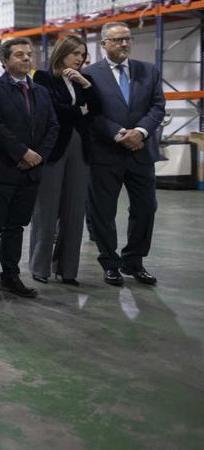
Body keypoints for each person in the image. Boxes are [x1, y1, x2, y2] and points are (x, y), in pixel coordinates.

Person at [0, 37, 58, 300]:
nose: (26, 58)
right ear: (4, 60)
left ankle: (11, 275)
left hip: (30, 171)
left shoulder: (40, 91)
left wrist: (38, 156)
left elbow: (53, 126)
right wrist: (22, 152)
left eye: (28, 54)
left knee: (16, 226)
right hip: (1, 169)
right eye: (19, 54)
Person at [83, 22, 165, 286]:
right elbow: (92, 113)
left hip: (141, 151)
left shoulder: (148, 71)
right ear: (104, 44)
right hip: (106, 152)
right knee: (103, 211)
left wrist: (140, 132)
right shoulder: (90, 74)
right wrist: (120, 134)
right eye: (117, 40)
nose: (124, 44)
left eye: (127, 39)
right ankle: (110, 262)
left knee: (145, 208)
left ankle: (134, 261)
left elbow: (157, 107)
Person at [30, 36, 94, 286]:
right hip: (54, 147)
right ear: (62, 53)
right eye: (75, 53)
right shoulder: (43, 78)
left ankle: (68, 270)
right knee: (46, 209)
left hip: (81, 147)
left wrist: (86, 85)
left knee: (75, 209)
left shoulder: (82, 81)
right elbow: (52, 109)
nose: (79, 58)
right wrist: (81, 110)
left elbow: (96, 108)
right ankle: (40, 267)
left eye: (82, 54)